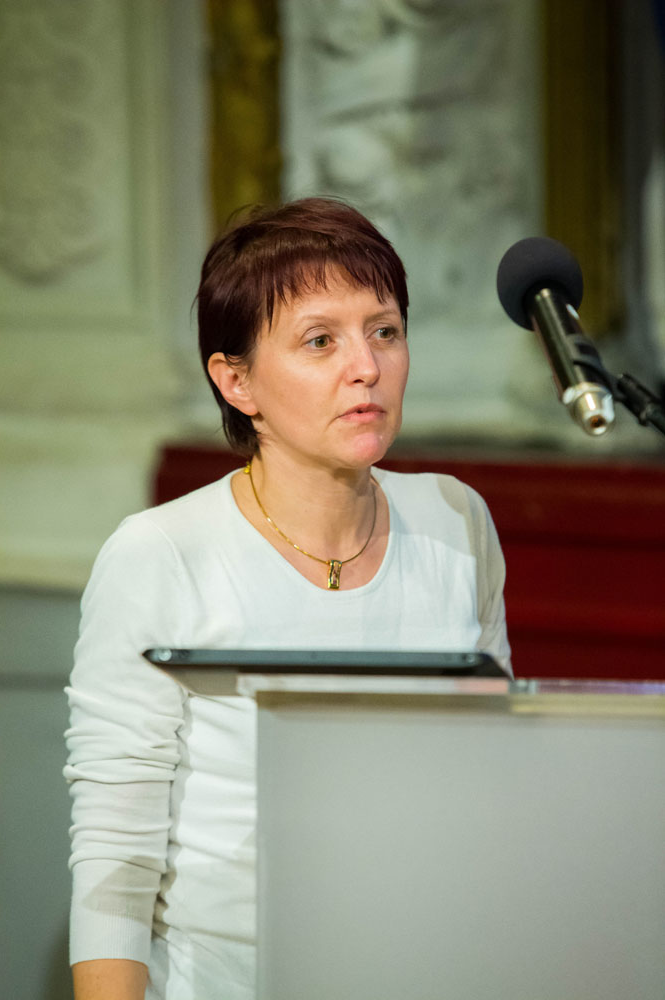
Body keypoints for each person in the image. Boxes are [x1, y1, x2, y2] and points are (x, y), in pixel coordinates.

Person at [64, 197, 511, 1000]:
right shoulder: (160, 552)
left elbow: (492, 785)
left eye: (384, 331)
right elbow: (115, 853)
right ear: (236, 382)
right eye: (319, 341)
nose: (365, 366)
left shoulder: (455, 520)